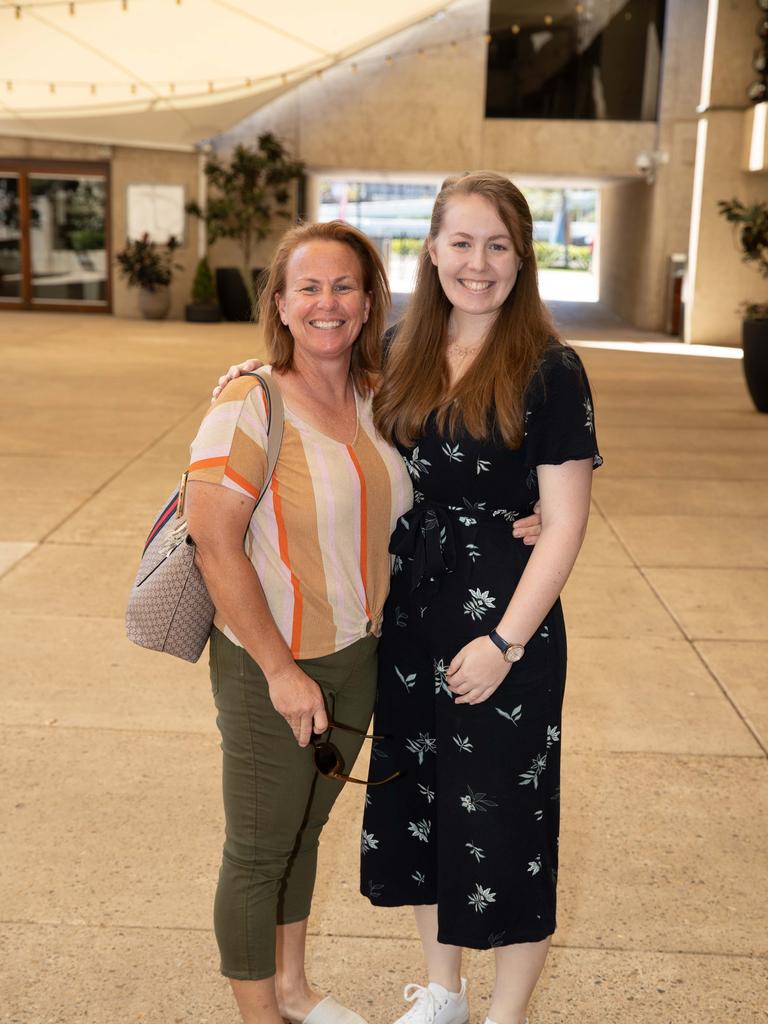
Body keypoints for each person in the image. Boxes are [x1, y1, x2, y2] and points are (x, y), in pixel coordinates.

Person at [361, 172, 601, 1024]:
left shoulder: (549, 369)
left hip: (507, 622)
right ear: (430, 251)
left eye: (498, 244)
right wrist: (253, 377)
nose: (479, 262)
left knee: (507, 824)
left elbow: (565, 526)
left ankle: (505, 1015)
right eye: (462, 242)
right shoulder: (398, 348)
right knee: (422, 806)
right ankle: (442, 996)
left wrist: (504, 644)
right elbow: (321, 398)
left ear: (523, 257)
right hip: (413, 612)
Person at [184, 219, 414, 1024]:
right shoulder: (249, 403)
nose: (327, 302)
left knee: (306, 829)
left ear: (369, 301)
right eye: (308, 287)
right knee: (257, 850)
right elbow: (213, 545)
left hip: (357, 654)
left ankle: (292, 987)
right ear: (280, 304)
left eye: (344, 285)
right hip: (270, 663)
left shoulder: (378, 396)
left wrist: (527, 520)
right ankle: (258, 1015)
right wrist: (281, 672)